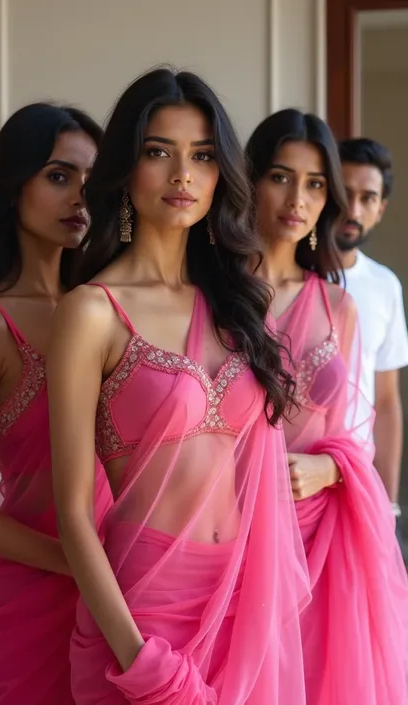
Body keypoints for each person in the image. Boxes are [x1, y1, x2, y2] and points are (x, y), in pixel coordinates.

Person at [47, 68, 310, 705]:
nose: (182, 175)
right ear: (125, 169)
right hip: (141, 611)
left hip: (242, 599)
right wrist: (140, 659)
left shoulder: (238, 305)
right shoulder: (92, 311)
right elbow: (75, 511)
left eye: (202, 156)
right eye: (159, 152)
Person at [0, 102, 111, 705]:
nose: (80, 198)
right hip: (39, 593)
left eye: (92, 181)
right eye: (59, 176)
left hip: (132, 585)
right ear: (14, 187)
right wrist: (77, 564)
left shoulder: (111, 308)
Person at [245, 109, 408, 705]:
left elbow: (358, 428)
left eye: (315, 184)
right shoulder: (212, 295)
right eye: (281, 177)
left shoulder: (340, 306)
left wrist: (333, 468)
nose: (299, 198)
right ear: (251, 180)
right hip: (230, 530)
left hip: (319, 534)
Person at [337, 137, 408, 541]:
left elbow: (386, 401)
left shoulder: (384, 286)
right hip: (292, 476)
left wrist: (389, 503)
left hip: (358, 482)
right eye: (344, 193)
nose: (354, 209)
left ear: (380, 210)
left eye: (367, 198)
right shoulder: (291, 280)